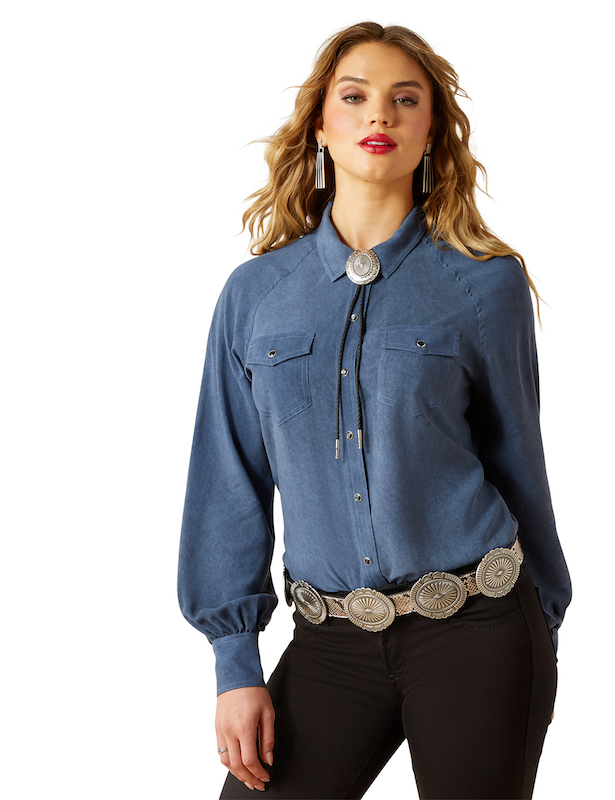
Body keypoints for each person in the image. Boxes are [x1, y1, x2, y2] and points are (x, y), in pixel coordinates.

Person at [178, 21, 571, 800]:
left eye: (405, 99)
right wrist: (235, 664)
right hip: (328, 645)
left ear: (432, 132)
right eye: (355, 97)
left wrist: (542, 629)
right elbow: (228, 481)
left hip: (479, 631)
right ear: (320, 126)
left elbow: (520, 462)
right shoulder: (256, 296)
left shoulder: (483, 284)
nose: (380, 115)